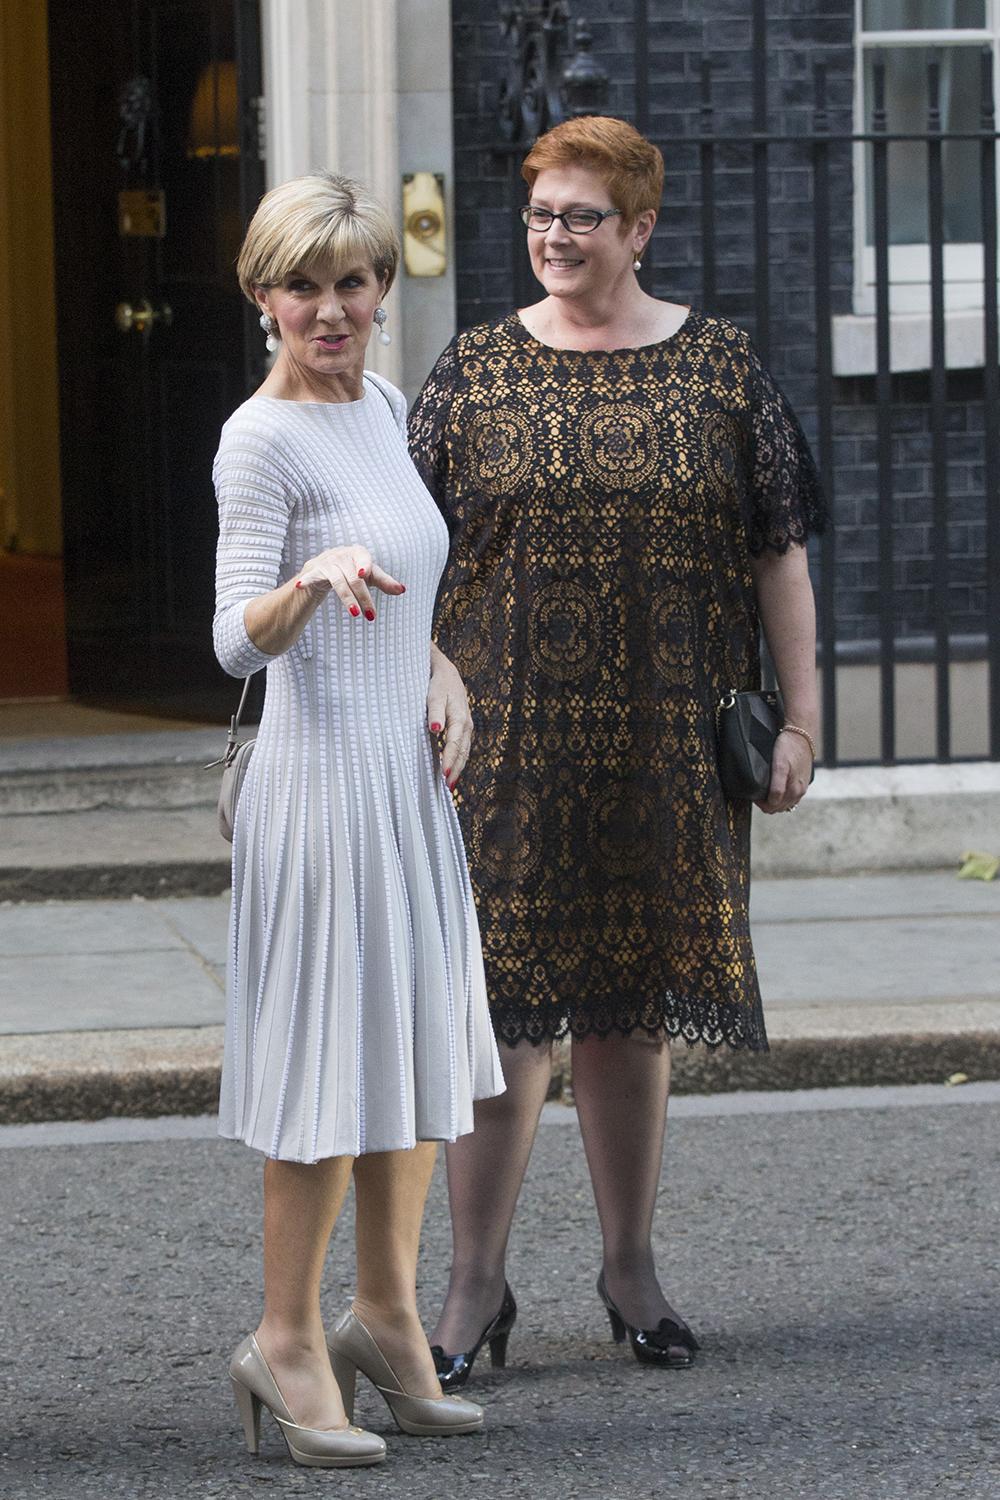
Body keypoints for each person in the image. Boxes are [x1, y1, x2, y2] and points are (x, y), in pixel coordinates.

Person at [408, 116, 825, 1384]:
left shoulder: (720, 369)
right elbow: (408, 543)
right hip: (505, 748)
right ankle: (473, 1286)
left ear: (639, 228)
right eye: (539, 213)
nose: (553, 235)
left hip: (663, 739)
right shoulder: (473, 370)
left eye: (581, 216)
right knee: (502, 1016)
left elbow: (778, 549)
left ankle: (629, 1268)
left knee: (628, 1013)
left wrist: (801, 717)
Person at [212, 171, 505, 1468]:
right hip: (320, 793)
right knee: (332, 1073)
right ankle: (285, 1340)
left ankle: (383, 1316)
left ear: (384, 289)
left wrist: (442, 673)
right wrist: (310, 584)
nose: (327, 310)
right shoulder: (260, 439)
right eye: (300, 286)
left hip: (401, 778)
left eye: (351, 283)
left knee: (413, 1055)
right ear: (261, 296)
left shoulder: (384, 406)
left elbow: (414, 584)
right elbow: (230, 638)